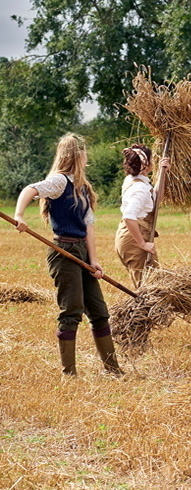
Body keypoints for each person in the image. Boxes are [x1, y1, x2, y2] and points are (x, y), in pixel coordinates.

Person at [13, 133, 123, 376]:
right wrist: (19, 215)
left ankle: (113, 370)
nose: (87, 156)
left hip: (82, 252)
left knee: (99, 311)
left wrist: (93, 261)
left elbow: (89, 227)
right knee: (72, 311)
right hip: (63, 251)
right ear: (75, 155)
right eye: (83, 151)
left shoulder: (83, 188)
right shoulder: (59, 182)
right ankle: (69, 374)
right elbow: (29, 190)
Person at [115, 144, 169, 287]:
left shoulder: (135, 181)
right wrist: (142, 243)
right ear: (145, 165)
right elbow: (129, 216)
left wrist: (163, 174)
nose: (153, 162)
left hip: (130, 236)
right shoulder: (139, 189)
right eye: (151, 159)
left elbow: (155, 197)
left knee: (151, 284)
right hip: (134, 240)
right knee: (148, 288)